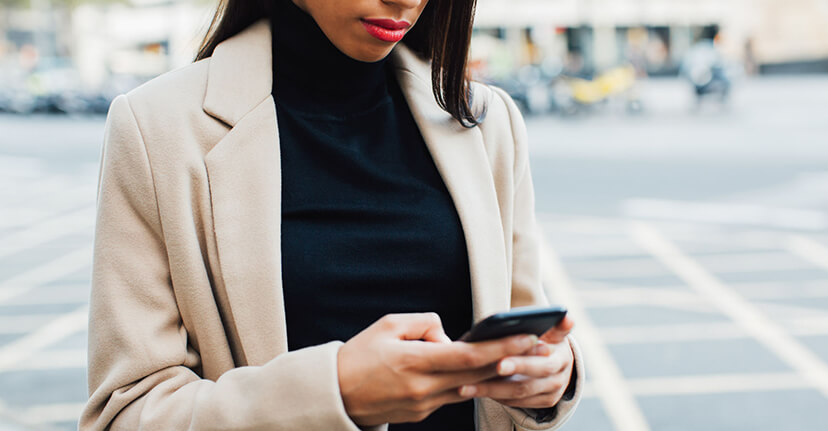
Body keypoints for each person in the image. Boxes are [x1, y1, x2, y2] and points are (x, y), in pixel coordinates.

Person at [80, 0, 584, 429]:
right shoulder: (156, 127)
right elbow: (126, 413)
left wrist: (547, 374)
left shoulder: (487, 122)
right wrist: (336, 392)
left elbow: (520, 332)